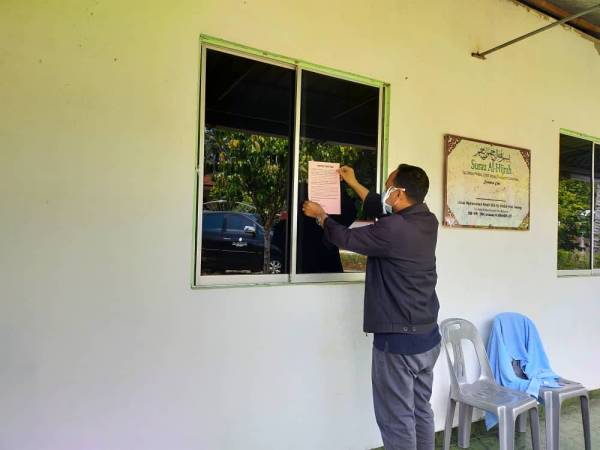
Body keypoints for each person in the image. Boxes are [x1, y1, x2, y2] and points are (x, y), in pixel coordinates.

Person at [302, 164, 441, 450]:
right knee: (420, 409)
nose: (384, 192)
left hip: (399, 343)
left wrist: (321, 217)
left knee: (396, 418)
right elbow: (380, 205)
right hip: (428, 337)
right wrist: (353, 182)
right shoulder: (428, 220)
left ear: (399, 194)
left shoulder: (393, 229)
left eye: (389, 187)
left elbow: (346, 238)